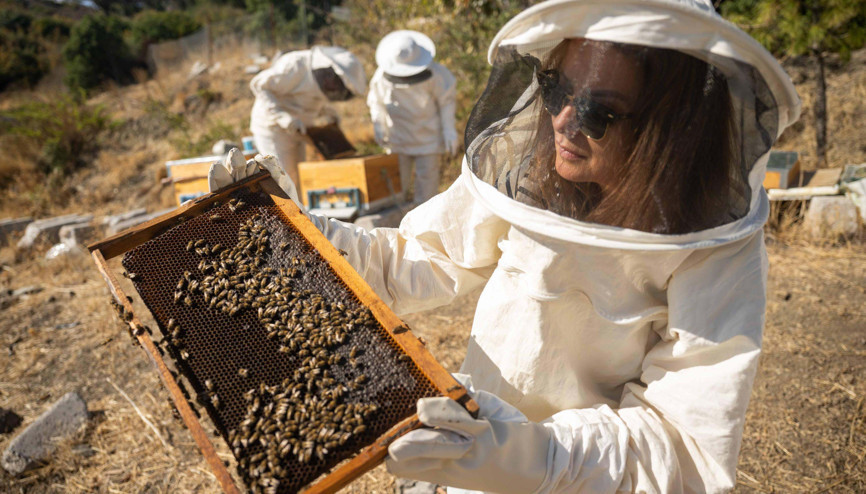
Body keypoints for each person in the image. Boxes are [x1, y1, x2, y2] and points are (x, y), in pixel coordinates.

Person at [210, 0, 801, 491]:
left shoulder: (714, 248)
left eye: (599, 111)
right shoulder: (529, 176)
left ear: (670, 128)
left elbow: (682, 447)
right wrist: (290, 232)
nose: (563, 121)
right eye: (555, 88)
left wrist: (531, 456)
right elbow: (418, 258)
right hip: (466, 450)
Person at [248, 46, 366, 187]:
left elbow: (308, 99)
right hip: (272, 129)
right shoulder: (295, 65)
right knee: (283, 180)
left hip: (299, 128)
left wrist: (327, 112)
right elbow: (259, 85)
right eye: (337, 83)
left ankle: (299, 209)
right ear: (329, 73)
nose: (335, 88)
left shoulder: (322, 82)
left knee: (298, 180)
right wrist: (281, 117)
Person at [367, 30, 458, 205]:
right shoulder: (381, 76)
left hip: (428, 140)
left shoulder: (437, 74)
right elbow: (375, 102)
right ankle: (395, 226)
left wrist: (449, 130)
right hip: (398, 139)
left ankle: (424, 230)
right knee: (395, 191)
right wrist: (379, 126)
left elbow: (446, 101)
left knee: (427, 196)